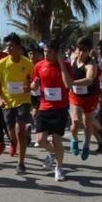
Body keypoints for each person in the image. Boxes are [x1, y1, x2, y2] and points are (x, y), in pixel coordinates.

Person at [32, 38, 75, 180]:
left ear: (57, 53)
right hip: (44, 107)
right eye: (45, 51)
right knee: (40, 140)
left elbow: (68, 84)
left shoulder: (67, 66)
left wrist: (61, 62)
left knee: (57, 140)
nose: (46, 54)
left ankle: (59, 168)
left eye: (49, 52)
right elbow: (34, 87)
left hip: (60, 108)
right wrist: (34, 85)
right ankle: (52, 153)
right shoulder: (39, 66)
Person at [0, 33, 34, 174]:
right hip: (7, 103)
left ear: (18, 46)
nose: (8, 48)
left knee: (19, 131)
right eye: (6, 46)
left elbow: (34, 82)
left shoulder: (27, 64)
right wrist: (0, 99)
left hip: (23, 101)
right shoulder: (2, 63)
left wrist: (29, 87)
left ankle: (21, 164)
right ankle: (25, 138)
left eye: (11, 45)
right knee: (13, 136)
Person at [68, 36, 101, 161]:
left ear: (89, 51)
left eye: (85, 50)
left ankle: (86, 144)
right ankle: (75, 139)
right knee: (75, 121)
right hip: (75, 95)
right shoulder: (72, 58)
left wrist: (72, 82)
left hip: (90, 96)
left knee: (87, 122)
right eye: (80, 49)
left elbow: (89, 79)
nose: (82, 53)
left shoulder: (91, 64)